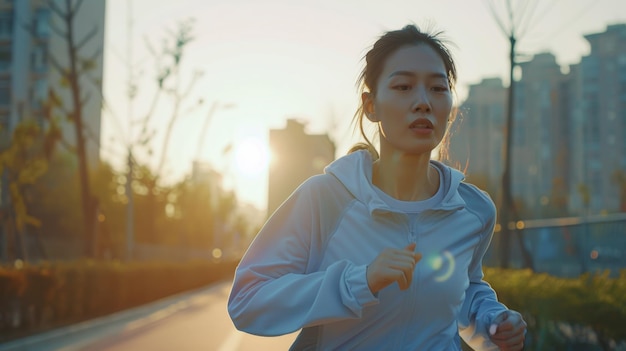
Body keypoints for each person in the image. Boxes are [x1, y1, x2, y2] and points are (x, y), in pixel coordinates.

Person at [228, 24, 527, 350]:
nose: (423, 102)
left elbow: (464, 288)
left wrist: (492, 318)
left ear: (450, 110)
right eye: (403, 87)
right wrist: (359, 280)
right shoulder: (325, 200)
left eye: (438, 88)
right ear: (371, 106)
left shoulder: (473, 209)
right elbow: (247, 300)